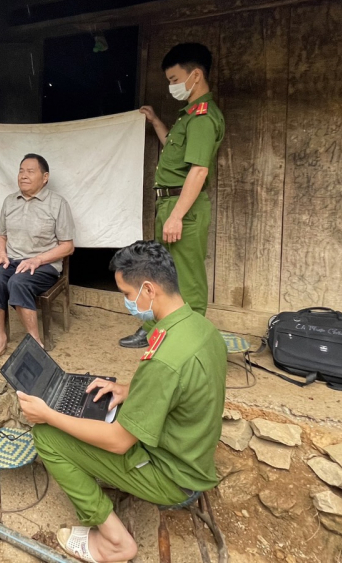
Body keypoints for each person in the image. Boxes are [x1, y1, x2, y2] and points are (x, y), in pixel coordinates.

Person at [18, 240, 226, 563]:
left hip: (173, 477)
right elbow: (182, 387)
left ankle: (114, 542)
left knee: (47, 437)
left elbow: (119, 443)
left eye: (128, 295)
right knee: (97, 410)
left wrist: (48, 415)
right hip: (191, 455)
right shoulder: (200, 328)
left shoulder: (164, 359)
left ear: (149, 289)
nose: (127, 303)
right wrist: (129, 390)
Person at [119, 42, 225, 349]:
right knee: (159, 269)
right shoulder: (188, 116)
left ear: (196, 75)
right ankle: (154, 328)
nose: (172, 86)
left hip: (184, 207)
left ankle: (190, 340)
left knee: (187, 275)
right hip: (170, 203)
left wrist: (177, 215)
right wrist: (156, 123)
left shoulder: (204, 117)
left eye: (174, 79)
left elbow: (199, 170)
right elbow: (176, 152)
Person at [0, 154, 75, 367]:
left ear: (45, 177)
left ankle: (34, 343)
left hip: (44, 264)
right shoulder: (9, 201)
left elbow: (68, 246)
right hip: (12, 260)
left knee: (18, 282)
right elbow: (1, 236)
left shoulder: (57, 203)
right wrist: (1, 255)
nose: (23, 176)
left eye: (30, 171)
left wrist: (37, 260)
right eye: (21, 170)